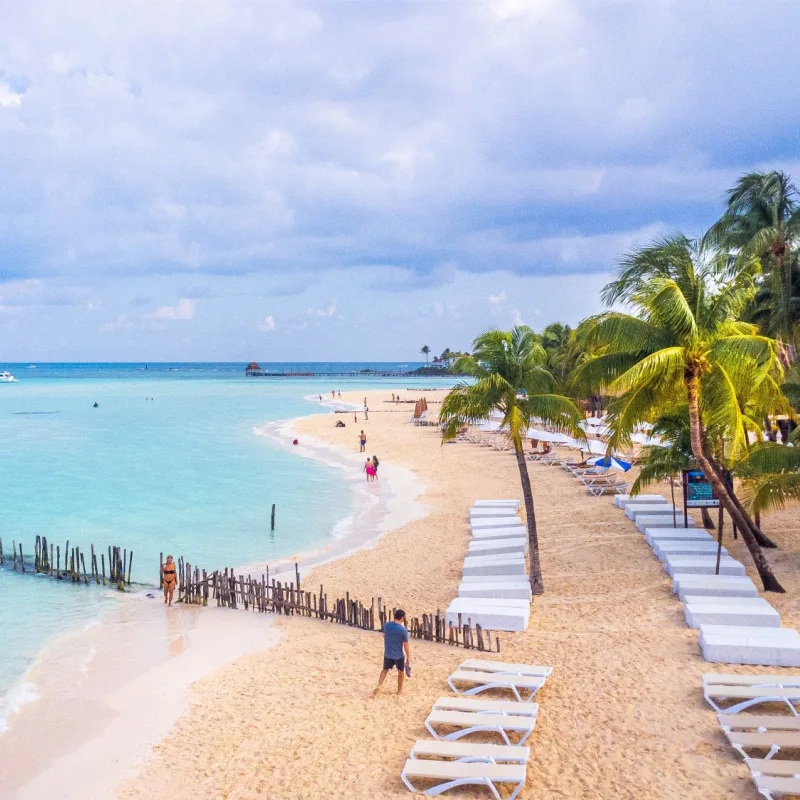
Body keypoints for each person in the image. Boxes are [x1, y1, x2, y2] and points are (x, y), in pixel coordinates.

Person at [372, 609, 409, 697]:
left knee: (384, 670)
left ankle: (379, 685)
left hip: (388, 653)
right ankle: (399, 691)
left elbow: (385, 635)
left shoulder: (386, 625)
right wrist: (408, 658)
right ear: (402, 618)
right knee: (400, 672)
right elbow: (406, 645)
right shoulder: (403, 630)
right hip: (398, 655)